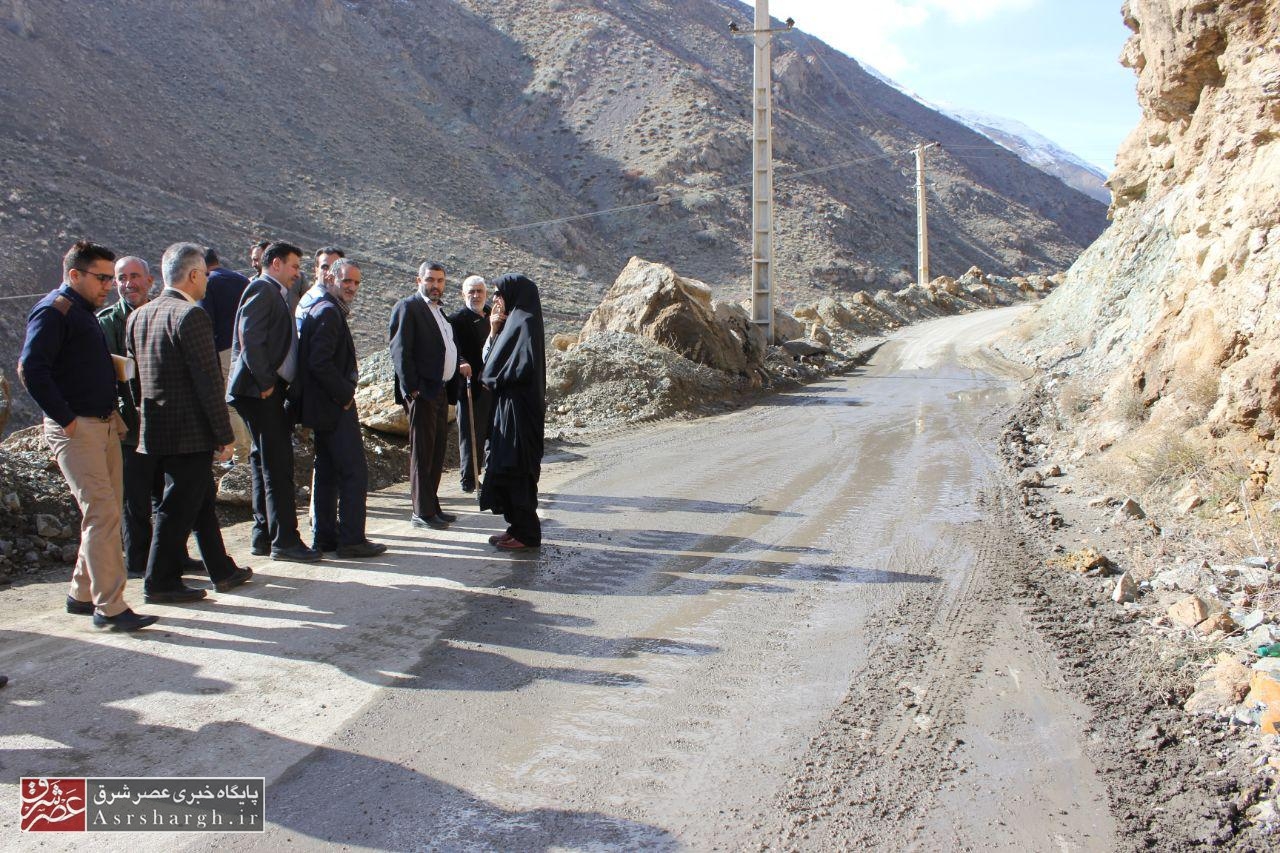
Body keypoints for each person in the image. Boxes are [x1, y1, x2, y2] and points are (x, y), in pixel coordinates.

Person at [17, 241, 157, 631]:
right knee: (103, 512)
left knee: (103, 510)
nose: (109, 287)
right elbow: (31, 368)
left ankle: (81, 593)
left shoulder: (82, 312)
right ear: (74, 275)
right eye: (101, 278)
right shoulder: (54, 310)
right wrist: (66, 419)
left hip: (103, 423)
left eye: (110, 280)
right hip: (78, 428)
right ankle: (109, 606)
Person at [126, 243, 253, 602]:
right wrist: (223, 434)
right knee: (177, 506)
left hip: (154, 429)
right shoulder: (190, 316)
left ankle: (221, 569)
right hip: (189, 432)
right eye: (206, 276)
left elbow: (134, 379)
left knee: (198, 500)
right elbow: (208, 381)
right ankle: (160, 581)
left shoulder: (140, 315)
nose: (207, 284)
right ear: (194, 275)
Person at [98, 256, 200, 579]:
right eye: (122, 278)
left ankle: (172, 556)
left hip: (161, 421)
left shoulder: (159, 314)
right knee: (135, 499)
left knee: (166, 495)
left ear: (150, 280)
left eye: (135, 277)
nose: (129, 284)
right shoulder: (107, 323)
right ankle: (139, 561)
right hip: (130, 426)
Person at [226, 241, 321, 563]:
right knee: (277, 465)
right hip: (259, 392)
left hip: (261, 391)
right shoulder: (263, 290)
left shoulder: (273, 291)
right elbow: (249, 337)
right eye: (294, 266)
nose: (298, 274)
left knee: (263, 461)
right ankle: (285, 541)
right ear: (277, 264)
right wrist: (266, 382)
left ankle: (264, 535)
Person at [297, 259, 387, 558]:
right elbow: (318, 362)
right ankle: (351, 539)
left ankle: (325, 537)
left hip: (325, 407)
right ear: (331, 278)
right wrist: (346, 394)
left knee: (327, 472)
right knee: (353, 472)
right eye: (346, 281)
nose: (351, 287)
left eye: (356, 283)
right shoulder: (327, 312)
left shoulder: (325, 308)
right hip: (334, 407)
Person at [388, 261, 471, 530]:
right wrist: (412, 389)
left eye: (440, 281)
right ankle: (420, 512)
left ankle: (432, 506)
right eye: (430, 280)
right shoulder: (408, 307)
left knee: (435, 453)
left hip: (440, 390)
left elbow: (447, 347)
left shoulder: (440, 312)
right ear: (419, 280)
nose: (435, 285)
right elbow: (400, 352)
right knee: (422, 453)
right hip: (422, 393)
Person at [480, 274, 546, 551]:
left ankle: (528, 533)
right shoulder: (512, 323)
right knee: (503, 466)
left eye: (499, 293)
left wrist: (496, 378)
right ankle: (515, 526)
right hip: (506, 409)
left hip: (519, 414)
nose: (495, 299)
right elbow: (494, 360)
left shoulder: (526, 323)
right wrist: (494, 331)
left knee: (518, 470)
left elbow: (521, 368)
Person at [197, 247, 252, 463]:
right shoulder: (239, 279)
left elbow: (205, 319)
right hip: (246, 347)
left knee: (229, 404)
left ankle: (240, 457)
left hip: (222, 350)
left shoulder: (208, 282)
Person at [448, 275, 491, 493]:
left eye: (479, 292)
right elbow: (451, 349)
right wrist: (461, 361)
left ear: (486, 293)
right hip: (469, 386)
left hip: (493, 385)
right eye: (471, 292)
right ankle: (469, 479)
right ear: (463, 294)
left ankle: (493, 473)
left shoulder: (494, 315)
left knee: (494, 432)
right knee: (471, 432)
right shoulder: (456, 320)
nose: (476, 296)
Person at [295, 246, 344, 333]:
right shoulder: (318, 301)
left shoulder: (325, 297)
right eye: (325, 267)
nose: (330, 272)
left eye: (336, 267)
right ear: (316, 270)